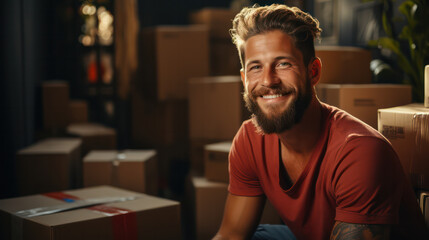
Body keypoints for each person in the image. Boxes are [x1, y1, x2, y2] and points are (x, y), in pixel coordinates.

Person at [212, 4, 428, 240]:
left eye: (283, 63)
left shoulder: (360, 151)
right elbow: (231, 234)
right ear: (244, 79)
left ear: (313, 72)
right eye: (255, 67)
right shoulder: (250, 139)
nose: (268, 80)